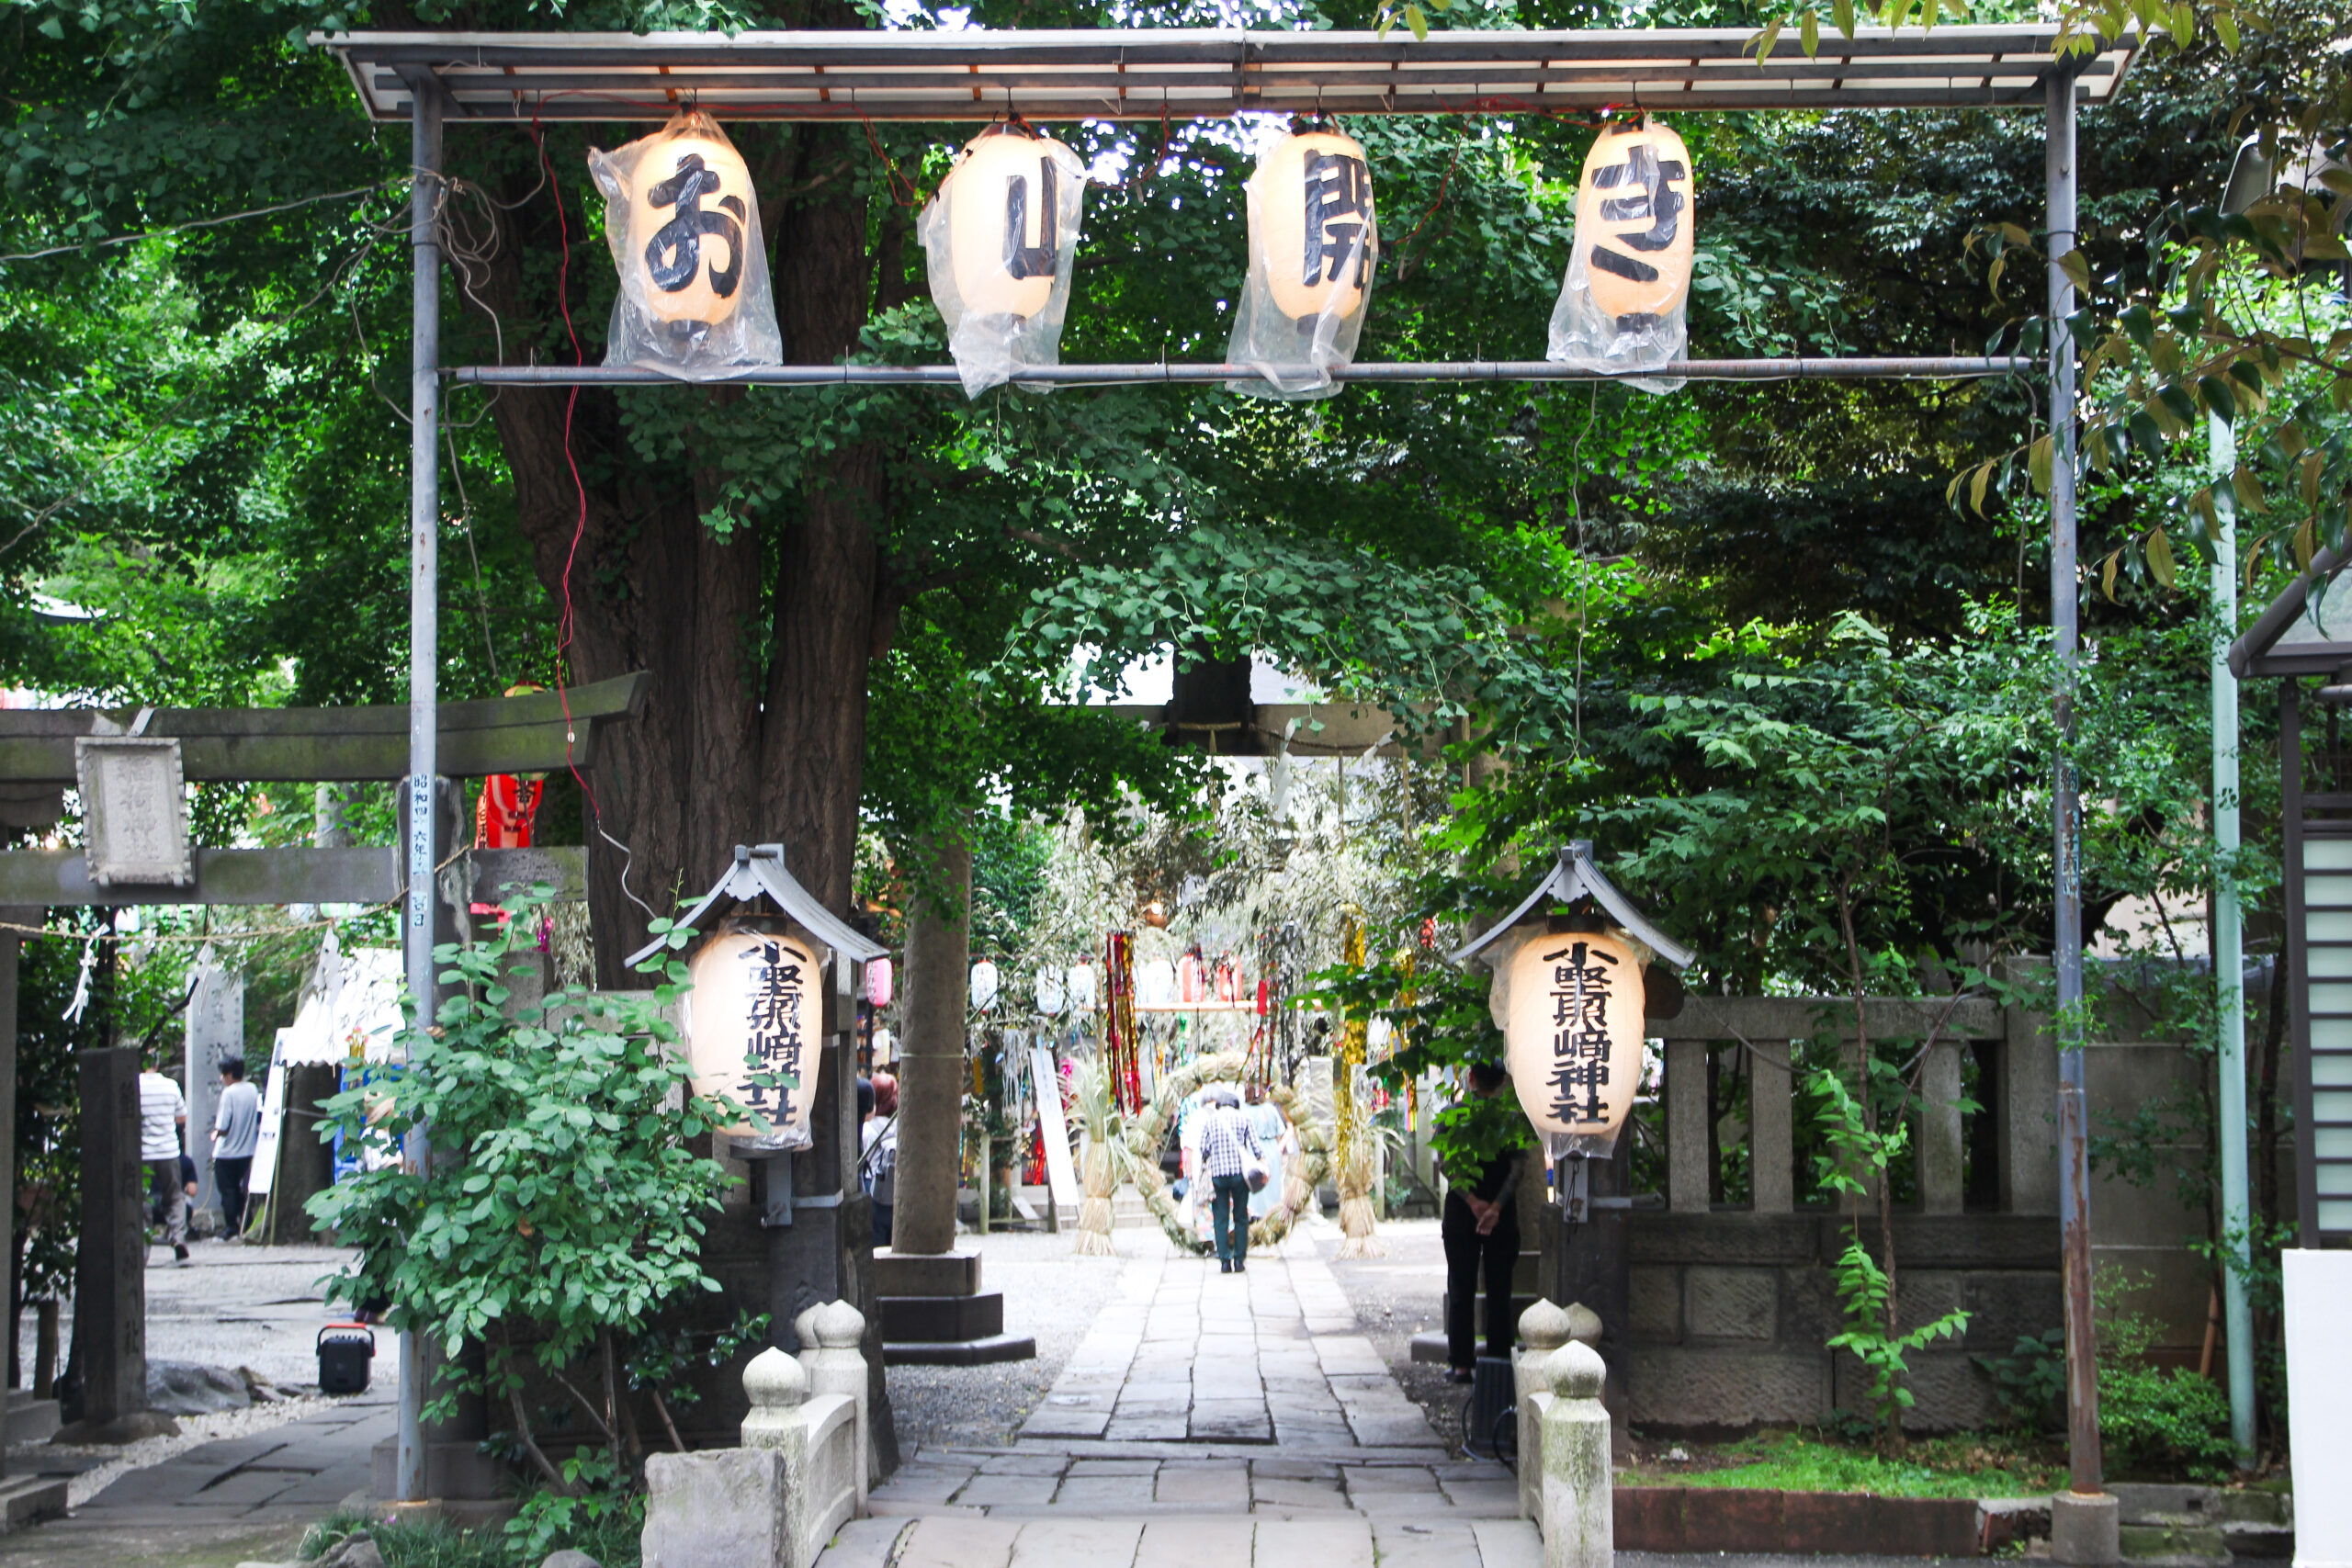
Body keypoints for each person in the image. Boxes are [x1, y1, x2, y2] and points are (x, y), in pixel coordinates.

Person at [1441, 1063, 1523, 1383]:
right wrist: (1496, 1207)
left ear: (1470, 1078)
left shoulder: (1452, 1115)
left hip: (1463, 1214)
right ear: (1502, 1080)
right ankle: (1499, 1362)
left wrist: (1473, 1202)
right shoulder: (1510, 1119)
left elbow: (1446, 1164)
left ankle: (1461, 1364)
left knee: (1461, 1285)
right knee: (1500, 1288)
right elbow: (1518, 1169)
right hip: (1502, 1215)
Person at [1195, 1087, 1263, 1274]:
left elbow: (1204, 1149)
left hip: (1218, 1176)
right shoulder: (1244, 1118)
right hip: (1240, 1175)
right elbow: (1256, 1147)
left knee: (1221, 1217)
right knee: (1241, 1216)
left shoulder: (1211, 1121)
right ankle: (1239, 1260)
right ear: (1235, 1105)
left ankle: (1225, 1260)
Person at [137, 1059, 189, 1264]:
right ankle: (178, 1237)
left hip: (143, 1153)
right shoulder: (171, 1085)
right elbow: (182, 1117)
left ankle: (142, 1249)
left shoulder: (134, 1085)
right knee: (175, 1196)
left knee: (141, 1199)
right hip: (169, 1150)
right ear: (157, 1066)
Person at [210, 1056, 262, 1242]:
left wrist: (214, 1133)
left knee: (228, 1190)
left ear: (230, 1074)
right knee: (242, 1189)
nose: (222, 1078)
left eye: (223, 1074)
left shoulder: (229, 1093)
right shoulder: (252, 1089)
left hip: (226, 1152)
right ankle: (245, 1223)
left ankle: (231, 1227)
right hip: (247, 1150)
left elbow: (223, 1125)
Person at [862, 1072, 899, 1248]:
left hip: (875, 1195)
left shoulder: (868, 1129)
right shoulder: (901, 1126)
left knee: (876, 1252)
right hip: (898, 1196)